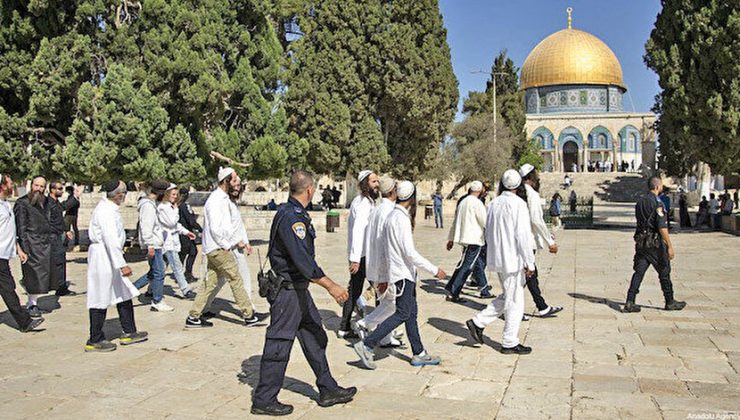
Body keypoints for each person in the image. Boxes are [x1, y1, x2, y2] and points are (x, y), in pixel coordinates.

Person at [251, 170, 356, 416]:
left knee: (314, 336)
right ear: (310, 189)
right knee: (279, 343)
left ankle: (328, 388)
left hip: (299, 291)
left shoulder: (293, 213)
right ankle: (264, 399)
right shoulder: (292, 218)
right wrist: (331, 286)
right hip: (288, 293)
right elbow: (303, 261)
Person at [353, 181, 447, 370]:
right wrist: (434, 269)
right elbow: (409, 253)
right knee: (403, 313)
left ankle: (419, 352)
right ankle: (367, 344)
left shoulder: (392, 216)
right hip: (402, 275)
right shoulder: (400, 219)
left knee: (411, 314)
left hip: (401, 274)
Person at [465, 170, 535, 355]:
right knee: (515, 301)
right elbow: (523, 235)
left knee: (508, 295)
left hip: (498, 257)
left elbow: (488, 230)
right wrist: (530, 261)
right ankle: (509, 341)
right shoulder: (519, 204)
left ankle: (478, 322)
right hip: (513, 258)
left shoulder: (494, 203)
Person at [186, 168, 259, 327]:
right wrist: (228, 244)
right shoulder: (216, 200)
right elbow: (216, 228)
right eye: (233, 181)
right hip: (219, 247)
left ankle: (194, 316)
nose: (235, 184)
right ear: (225, 181)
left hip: (217, 247)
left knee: (209, 283)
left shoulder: (223, 199)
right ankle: (249, 315)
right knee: (235, 279)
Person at [85, 180, 148, 352]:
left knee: (123, 293)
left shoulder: (110, 209)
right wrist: (122, 265)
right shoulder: (106, 211)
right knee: (100, 295)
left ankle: (129, 331)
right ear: (119, 194)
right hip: (103, 257)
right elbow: (110, 240)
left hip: (109, 255)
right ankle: (95, 339)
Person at [624, 177, 686, 313]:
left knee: (638, 272)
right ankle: (669, 301)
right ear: (658, 187)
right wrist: (669, 245)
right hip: (655, 243)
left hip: (642, 242)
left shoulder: (640, 202)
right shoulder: (658, 203)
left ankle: (630, 300)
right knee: (664, 271)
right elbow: (662, 226)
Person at [354, 177, 404, 347]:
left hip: (374, 264)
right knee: (394, 305)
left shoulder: (377, 209)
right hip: (384, 268)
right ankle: (365, 323)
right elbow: (386, 244)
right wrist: (387, 274)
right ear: (393, 191)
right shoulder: (389, 212)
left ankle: (385, 337)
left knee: (386, 302)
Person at [338, 170, 379, 339]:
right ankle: (380, 327)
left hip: (364, 255)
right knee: (381, 290)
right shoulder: (362, 203)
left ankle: (344, 327)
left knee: (354, 291)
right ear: (364, 184)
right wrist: (355, 259)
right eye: (373, 182)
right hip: (363, 256)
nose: (377, 184)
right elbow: (358, 231)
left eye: (377, 181)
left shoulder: (368, 202)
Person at [0, 174, 44, 332]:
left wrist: (18, 249)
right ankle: (24, 322)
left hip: (4, 254)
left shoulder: (5, 204)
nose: (13, 186)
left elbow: (9, 231)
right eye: (10, 183)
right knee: (8, 288)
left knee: (7, 287)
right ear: (3, 186)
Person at [519, 165, 562, 318]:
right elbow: (537, 220)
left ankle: (542, 306)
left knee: (529, 275)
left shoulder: (516, 193)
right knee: (526, 276)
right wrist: (550, 241)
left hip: (517, 241)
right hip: (527, 241)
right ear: (531, 177)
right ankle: (508, 309)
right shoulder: (531, 194)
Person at [14, 176, 59, 317]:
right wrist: (23, 248)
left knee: (44, 276)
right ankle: (31, 304)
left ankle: (33, 300)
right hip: (30, 243)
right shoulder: (22, 203)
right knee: (33, 275)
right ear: (31, 185)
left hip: (45, 243)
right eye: (36, 185)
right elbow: (20, 227)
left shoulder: (47, 202)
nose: (38, 189)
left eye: (41, 186)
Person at [445, 181, 491, 301]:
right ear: (480, 191)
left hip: (465, 238)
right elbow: (485, 222)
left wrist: (451, 239)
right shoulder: (477, 203)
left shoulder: (463, 201)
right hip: (474, 239)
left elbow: (455, 221)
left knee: (463, 264)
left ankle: (451, 286)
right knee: (467, 266)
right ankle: (454, 292)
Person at [133, 180, 173, 312]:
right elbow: (146, 226)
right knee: (159, 272)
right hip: (153, 244)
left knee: (153, 273)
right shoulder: (148, 206)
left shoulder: (152, 205)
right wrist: (150, 244)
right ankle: (157, 300)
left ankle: (128, 291)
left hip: (155, 243)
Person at [158, 184, 197, 299]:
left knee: (159, 269)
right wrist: (176, 210)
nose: (175, 197)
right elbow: (171, 222)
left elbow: (176, 225)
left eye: (176, 195)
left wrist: (186, 232)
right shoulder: (162, 208)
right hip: (167, 242)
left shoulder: (170, 207)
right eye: (173, 194)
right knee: (177, 267)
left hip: (173, 241)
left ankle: (148, 288)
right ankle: (186, 290)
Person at [48, 181, 77, 296]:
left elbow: (62, 209)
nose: (61, 191)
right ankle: (60, 287)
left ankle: (61, 286)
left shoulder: (55, 202)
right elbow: (51, 221)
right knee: (57, 262)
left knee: (60, 262)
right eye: (59, 189)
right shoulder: (48, 203)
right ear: (52, 190)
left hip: (58, 235)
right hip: (53, 237)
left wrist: (66, 230)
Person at [178, 187, 201, 282]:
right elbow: (191, 220)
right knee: (187, 253)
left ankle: (186, 273)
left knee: (190, 252)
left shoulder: (178, 205)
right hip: (186, 233)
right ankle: (184, 274)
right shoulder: (184, 206)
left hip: (182, 232)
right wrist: (199, 228)